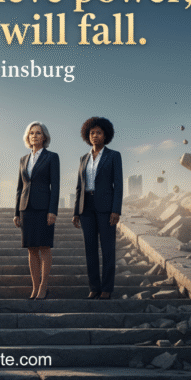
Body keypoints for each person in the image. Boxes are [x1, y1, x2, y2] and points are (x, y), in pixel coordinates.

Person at [72, 117, 122, 300]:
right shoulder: (83, 158)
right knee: (90, 249)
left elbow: (119, 185)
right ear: (87, 135)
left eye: (98, 132)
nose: (95, 135)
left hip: (106, 208)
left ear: (105, 135)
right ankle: (94, 287)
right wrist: (76, 211)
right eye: (92, 133)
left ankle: (107, 288)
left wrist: (116, 210)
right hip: (86, 208)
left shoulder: (113, 156)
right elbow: (79, 186)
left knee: (108, 249)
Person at [14, 121, 60, 300]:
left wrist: (52, 211)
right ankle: (34, 287)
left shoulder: (52, 157)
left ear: (44, 137)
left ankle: (43, 287)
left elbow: (55, 186)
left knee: (44, 248)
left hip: (43, 208)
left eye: (38, 133)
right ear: (28, 137)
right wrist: (17, 212)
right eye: (31, 133)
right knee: (31, 249)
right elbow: (20, 187)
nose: (34, 136)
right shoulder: (23, 160)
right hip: (26, 208)